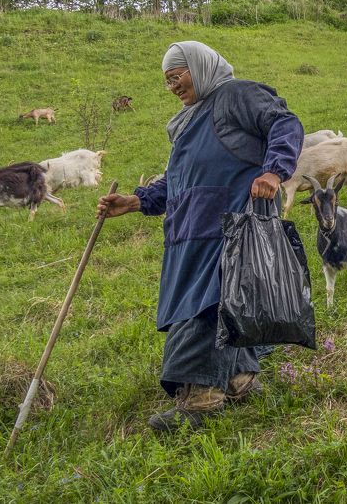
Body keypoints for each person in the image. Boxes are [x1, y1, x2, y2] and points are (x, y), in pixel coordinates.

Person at [97, 41, 303, 431]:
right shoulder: (188, 122)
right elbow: (180, 181)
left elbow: (284, 124)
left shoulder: (235, 95)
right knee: (213, 301)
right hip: (191, 230)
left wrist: (275, 171)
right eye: (167, 82)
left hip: (230, 223)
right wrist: (137, 201)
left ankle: (201, 397)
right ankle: (239, 379)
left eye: (177, 76)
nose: (173, 86)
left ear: (200, 66)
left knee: (206, 304)